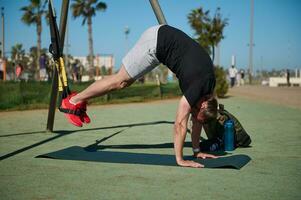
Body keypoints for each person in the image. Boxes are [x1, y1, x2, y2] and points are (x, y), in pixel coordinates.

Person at [61, 25, 218, 168]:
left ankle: (79, 100)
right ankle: (72, 101)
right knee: (120, 81)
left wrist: (197, 151)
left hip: (163, 39)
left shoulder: (208, 90)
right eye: (196, 115)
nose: (194, 120)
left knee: (125, 82)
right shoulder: (198, 88)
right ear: (203, 104)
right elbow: (180, 124)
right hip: (155, 42)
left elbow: (197, 121)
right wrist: (180, 159)